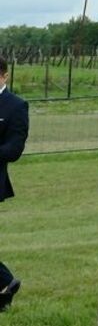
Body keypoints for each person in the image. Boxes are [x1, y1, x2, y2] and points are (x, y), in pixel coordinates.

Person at [0, 55, 29, 310]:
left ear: (4, 76)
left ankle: (6, 283)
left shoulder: (16, 106)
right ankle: (6, 286)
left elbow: (14, 149)